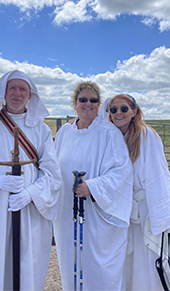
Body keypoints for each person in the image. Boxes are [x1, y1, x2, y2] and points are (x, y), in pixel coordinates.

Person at [0, 70, 62, 291]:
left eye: (22, 89)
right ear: (3, 93)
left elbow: (52, 173)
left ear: (30, 95)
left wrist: (31, 193)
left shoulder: (41, 130)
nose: (17, 93)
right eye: (12, 88)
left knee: (29, 265)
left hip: (30, 211)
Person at [53, 81, 133, 290]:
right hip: (66, 212)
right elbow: (53, 167)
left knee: (97, 265)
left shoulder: (108, 132)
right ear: (75, 103)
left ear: (99, 104)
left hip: (97, 212)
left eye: (93, 100)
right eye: (83, 100)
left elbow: (121, 170)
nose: (88, 104)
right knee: (69, 258)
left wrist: (93, 187)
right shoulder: (64, 133)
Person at [106, 94, 170, 291]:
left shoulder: (146, 136)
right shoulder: (111, 136)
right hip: (122, 208)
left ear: (134, 111)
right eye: (114, 109)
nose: (119, 113)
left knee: (147, 261)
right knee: (126, 261)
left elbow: (157, 176)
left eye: (124, 108)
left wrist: (160, 216)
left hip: (145, 207)